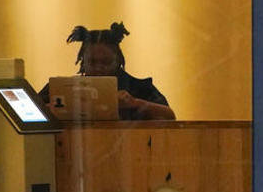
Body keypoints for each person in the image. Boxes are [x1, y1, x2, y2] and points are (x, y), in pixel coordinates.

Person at [39, 22, 175, 120]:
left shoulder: (137, 87)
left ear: (118, 61)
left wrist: (135, 103)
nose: (99, 68)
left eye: (106, 62)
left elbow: (169, 116)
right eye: (92, 62)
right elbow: (28, 114)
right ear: (83, 62)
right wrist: (56, 107)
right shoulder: (62, 88)